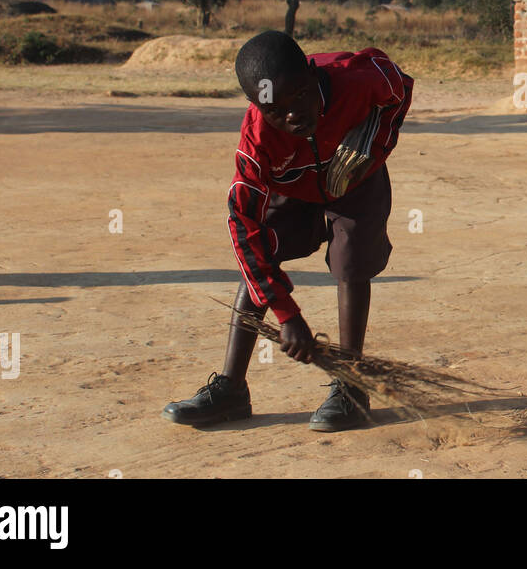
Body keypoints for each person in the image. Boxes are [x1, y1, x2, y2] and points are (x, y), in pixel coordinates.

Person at [163, 31, 412, 429]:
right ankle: (231, 389)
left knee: (351, 265)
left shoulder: (359, 79)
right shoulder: (258, 142)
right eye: (275, 110)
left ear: (313, 75)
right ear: (256, 106)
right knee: (262, 257)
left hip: (354, 179)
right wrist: (287, 314)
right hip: (292, 185)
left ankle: (351, 387)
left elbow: (398, 86)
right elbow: (244, 230)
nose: (293, 114)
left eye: (299, 95)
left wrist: (371, 149)